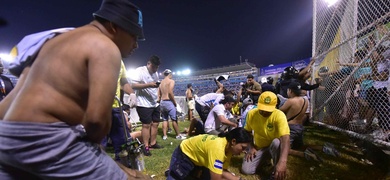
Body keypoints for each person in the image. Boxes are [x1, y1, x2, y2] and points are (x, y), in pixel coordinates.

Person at [0, 0, 151, 179]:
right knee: (135, 177)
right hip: (45, 138)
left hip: (6, 136)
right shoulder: (105, 46)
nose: (136, 44)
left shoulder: (55, 39)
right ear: (114, 26)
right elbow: (97, 120)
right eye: (134, 36)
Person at [166, 128, 253, 180]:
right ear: (233, 141)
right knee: (175, 177)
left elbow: (222, 170)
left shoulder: (228, 148)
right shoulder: (218, 149)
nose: (243, 151)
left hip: (197, 159)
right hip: (184, 154)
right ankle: (172, 170)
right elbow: (216, 178)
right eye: (243, 147)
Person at [241, 92, 290, 180]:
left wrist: (283, 162)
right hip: (259, 147)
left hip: (274, 146)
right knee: (246, 170)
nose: (264, 112)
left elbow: (285, 138)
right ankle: (264, 160)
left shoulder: (279, 115)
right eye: (262, 108)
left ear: (275, 106)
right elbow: (247, 132)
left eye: (268, 109)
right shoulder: (251, 114)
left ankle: (276, 171)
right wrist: (251, 147)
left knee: (277, 142)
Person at [101, 60, 138, 161]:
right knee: (98, 145)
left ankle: (124, 169)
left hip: (116, 107)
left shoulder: (120, 61)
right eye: (134, 42)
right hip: (99, 107)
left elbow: (123, 81)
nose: (135, 46)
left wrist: (132, 93)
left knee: (124, 144)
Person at [131, 55, 163, 156]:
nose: (155, 69)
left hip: (154, 103)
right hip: (143, 103)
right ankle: (146, 146)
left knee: (156, 123)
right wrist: (148, 85)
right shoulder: (140, 71)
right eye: (154, 67)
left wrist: (157, 96)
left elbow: (155, 86)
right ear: (148, 64)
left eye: (157, 67)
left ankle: (153, 143)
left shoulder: (156, 73)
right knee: (146, 125)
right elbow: (132, 85)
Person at [158, 69, 186, 140]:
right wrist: (174, 102)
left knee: (164, 119)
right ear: (169, 74)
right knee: (174, 119)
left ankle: (164, 136)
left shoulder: (161, 82)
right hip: (168, 102)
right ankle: (178, 135)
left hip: (162, 102)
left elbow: (159, 94)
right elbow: (170, 92)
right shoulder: (171, 81)